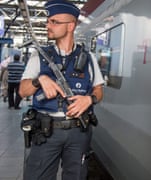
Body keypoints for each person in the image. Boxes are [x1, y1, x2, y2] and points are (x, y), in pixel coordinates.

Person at [19, 0, 105, 179]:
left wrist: (89, 99)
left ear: (71, 26)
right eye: (48, 21)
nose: (47, 25)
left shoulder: (88, 58)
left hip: (78, 132)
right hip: (46, 131)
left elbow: (98, 91)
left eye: (54, 22)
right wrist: (39, 80)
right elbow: (22, 91)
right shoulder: (39, 55)